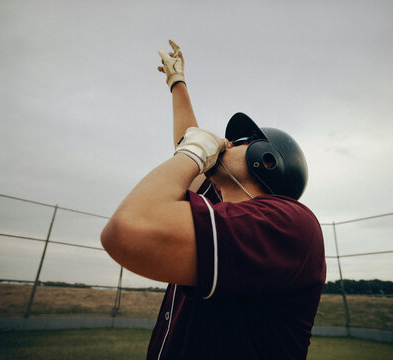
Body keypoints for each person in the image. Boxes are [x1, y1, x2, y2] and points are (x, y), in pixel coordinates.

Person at [101, 40, 326, 360]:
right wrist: (177, 83)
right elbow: (187, 142)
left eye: (237, 142)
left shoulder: (288, 223)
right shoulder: (220, 212)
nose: (225, 143)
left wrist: (191, 154)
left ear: (267, 160)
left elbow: (130, 228)